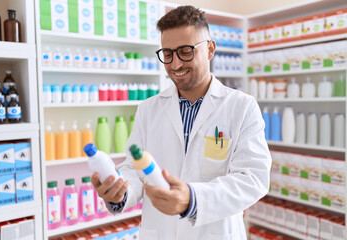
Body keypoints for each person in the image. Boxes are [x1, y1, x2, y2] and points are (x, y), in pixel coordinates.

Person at [91, 5, 271, 240]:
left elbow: (253, 179)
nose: (175, 64)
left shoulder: (242, 106)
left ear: (210, 49)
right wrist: (120, 192)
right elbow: (134, 169)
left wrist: (192, 198)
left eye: (185, 51)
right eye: (168, 54)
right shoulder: (148, 109)